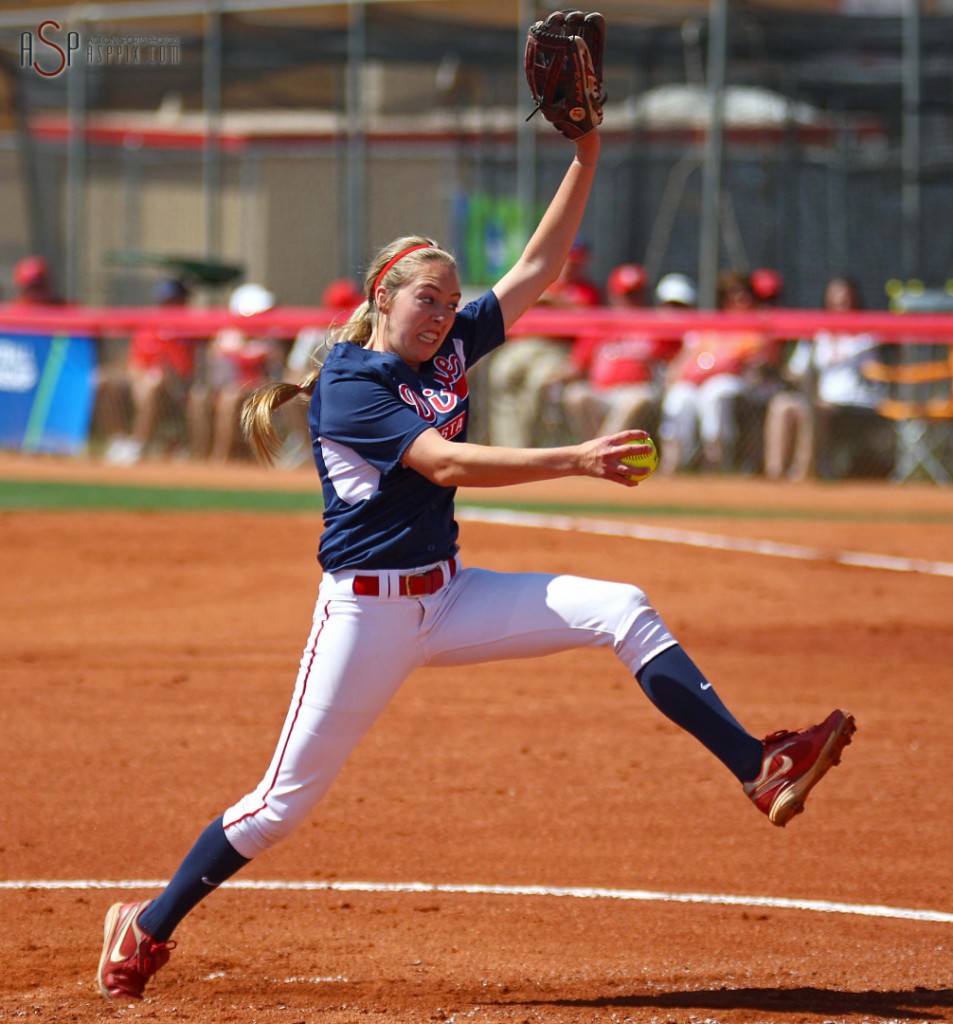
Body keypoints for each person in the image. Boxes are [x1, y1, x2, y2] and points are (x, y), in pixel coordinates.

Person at [96, 118, 856, 1004]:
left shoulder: (451, 343)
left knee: (621, 607)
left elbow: (537, 269)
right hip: (366, 614)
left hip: (449, 597)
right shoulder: (351, 381)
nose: (441, 315)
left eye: (450, 302)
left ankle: (757, 768)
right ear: (385, 296)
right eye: (425, 299)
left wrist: (586, 157)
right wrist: (573, 458)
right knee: (279, 807)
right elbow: (445, 463)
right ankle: (145, 927)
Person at [763, 276, 889, 481]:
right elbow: (795, 372)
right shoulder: (818, 334)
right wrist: (772, 371)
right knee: (782, 405)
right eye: (835, 303)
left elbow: (874, 372)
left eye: (846, 302)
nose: (841, 308)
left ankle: (803, 474)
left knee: (813, 410)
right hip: (819, 400)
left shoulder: (866, 335)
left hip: (854, 402)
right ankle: (775, 473)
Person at [658, 270, 782, 474]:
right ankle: (674, 462)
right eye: (732, 293)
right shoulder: (712, 324)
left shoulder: (758, 327)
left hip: (739, 385)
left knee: (715, 392)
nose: (740, 299)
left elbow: (750, 363)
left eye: (745, 294)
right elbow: (684, 364)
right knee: (680, 396)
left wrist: (710, 369)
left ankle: (716, 460)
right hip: (699, 382)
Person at [486, 238, 602, 447]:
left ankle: (529, 448)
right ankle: (506, 447)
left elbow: (591, 330)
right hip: (523, 344)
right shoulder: (541, 281)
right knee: (502, 374)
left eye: (576, 263)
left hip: (556, 349)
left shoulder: (587, 291)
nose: (570, 267)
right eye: (568, 261)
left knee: (537, 384)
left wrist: (578, 362)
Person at [551, 266, 688, 441]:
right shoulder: (601, 325)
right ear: (614, 295)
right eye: (627, 294)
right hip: (601, 392)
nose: (633, 300)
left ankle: (603, 449)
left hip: (636, 391)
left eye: (637, 293)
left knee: (636, 399)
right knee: (576, 394)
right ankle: (601, 451)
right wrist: (555, 377)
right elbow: (577, 365)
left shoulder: (655, 324)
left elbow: (678, 357)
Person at [103, 278, 199, 465]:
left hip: (177, 390)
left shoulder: (191, 326)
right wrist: (139, 380)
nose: (173, 305)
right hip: (143, 386)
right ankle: (120, 441)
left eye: (177, 300)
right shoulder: (149, 325)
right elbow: (135, 365)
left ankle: (138, 445)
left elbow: (185, 371)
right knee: (104, 379)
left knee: (153, 383)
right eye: (168, 301)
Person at [194, 282, 286, 462]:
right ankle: (201, 454)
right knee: (198, 397)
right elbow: (215, 376)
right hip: (223, 389)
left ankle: (221, 457)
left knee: (231, 396)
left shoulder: (270, 338)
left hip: (259, 391)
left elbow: (275, 372)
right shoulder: (225, 338)